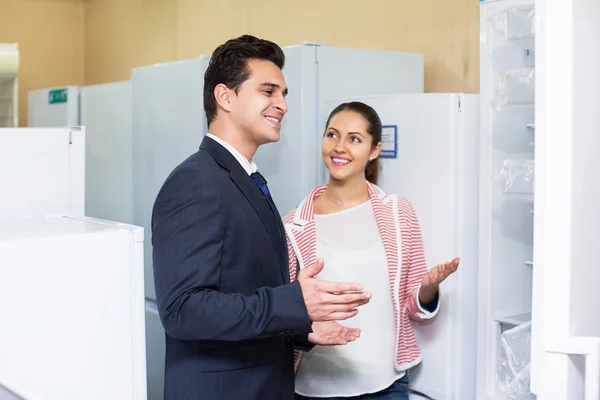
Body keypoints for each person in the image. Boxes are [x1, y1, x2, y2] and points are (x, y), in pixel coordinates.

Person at [151, 36, 373, 400]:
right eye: (268, 91)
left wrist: (302, 324)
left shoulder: (245, 178)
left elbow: (245, 293)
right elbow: (183, 310)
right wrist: (294, 303)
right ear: (225, 97)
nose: (282, 105)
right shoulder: (195, 182)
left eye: (284, 94)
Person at [283, 101, 460, 400]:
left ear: (374, 150)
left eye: (354, 139)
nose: (340, 147)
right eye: (332, 135)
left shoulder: (398, 213)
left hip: (386, 387)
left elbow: (414, 310)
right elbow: (283, 313)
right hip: (313, 388)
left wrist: (427, 289)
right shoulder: (294, 225)